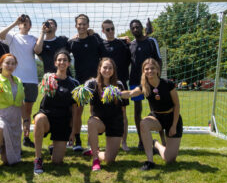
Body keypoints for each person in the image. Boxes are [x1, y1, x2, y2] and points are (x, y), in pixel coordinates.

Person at [122, 58, 183, 171]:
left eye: (152, 68)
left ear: (157, 70)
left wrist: (174, 125)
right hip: (157, 118)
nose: (150, 71)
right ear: (144, 71)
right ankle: (150, 161)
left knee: (169, 159)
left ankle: (156, 144)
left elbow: (177, 105)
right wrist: (115, 93)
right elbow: (130, 93)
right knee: (143, 123)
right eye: (147, 69)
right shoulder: (145, 86)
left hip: (172, 118)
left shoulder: (168, 84)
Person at [33, 50, 79, 174]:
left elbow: (75, 110)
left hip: (62, 121)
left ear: (69, 63)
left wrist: (73, 131)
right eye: (59, 60)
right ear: (55, 63)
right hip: (47, 117)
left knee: (57, 162)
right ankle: (38, 159)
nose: (62, 62)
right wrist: (48, 81)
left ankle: (54, 148)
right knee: (38, 119)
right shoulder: (48, 78)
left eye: (65, 60)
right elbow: (43, 91)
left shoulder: (74, 84)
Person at [0, 14, 38, 148]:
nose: (24, 24)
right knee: (16, 110)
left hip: (31, 79)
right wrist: (15, 22)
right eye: (22, 22)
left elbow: (39, 50)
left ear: (30, 25)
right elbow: (1, 34)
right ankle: (14, 138)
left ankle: (26, 138)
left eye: (27, 22)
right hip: (16, 79)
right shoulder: (13, 37)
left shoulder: (34, 39)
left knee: (28, 110)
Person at [67, 14, 103, 151]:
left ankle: (92, 141)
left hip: (95, 81)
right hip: (80, 82)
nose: (81, 26)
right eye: (79, 24)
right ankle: (77, 140)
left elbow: (106, 43)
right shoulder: (72, 42)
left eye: (84, 24)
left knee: (94, 111)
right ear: (76, 26)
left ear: (88, 25)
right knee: (77, 111)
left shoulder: (94, 38)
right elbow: (62, 55)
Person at [84, 58, 128, 171]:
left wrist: (124, 139)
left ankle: (96, 152)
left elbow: (123, 112)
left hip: (115, 123)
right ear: (99, 69)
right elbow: (90, 107)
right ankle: (95, 159)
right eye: (104, 67)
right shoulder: (92, 84)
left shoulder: (119, 84)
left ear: (114, 70)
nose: (107, 70)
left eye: (110, 68)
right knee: (92, 121)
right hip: (100, 122)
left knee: (109, 160)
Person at [0, 53, 25, 173]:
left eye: (13, 63)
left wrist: (26, 120)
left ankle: (3, 149)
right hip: (0, 115)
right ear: (1, 65)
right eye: (7, 63)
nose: (10, 66)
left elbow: (21, 102)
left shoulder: (18, 81)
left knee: (9, 161)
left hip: (15, 118)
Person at [128, 19, 164, 150]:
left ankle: (162, 140)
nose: (135, 29)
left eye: (137, 27)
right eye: (133, 28)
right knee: (137, 111)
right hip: (135, 82)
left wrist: (157, 78)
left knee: (156, 109)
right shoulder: (130, 45)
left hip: (151, 81)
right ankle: (141, 141)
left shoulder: (151, 41)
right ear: (131, 30)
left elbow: (159, 60)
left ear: (142, 27)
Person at [100, 19, 131, 151]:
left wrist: (124, 39)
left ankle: (124, 142)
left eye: (112, 28)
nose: (111, 31)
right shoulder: (100, 45)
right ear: (103, 31)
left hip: (120, 83)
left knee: (123, 113)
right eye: (108, 29)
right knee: (100, 112)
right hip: (105, 84)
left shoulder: (122, 43)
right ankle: (95, 143)